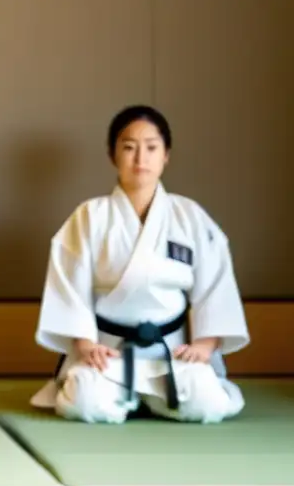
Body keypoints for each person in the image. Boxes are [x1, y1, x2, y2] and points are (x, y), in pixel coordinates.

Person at [30, 105, 250, 424]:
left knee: (208, 404)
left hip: (172, 354)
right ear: (112, 155)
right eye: (129, 147)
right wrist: (85, 343)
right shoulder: (90, 216)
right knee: (86, 403)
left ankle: (142, 398)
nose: (140, 159)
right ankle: (131, 396)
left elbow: (216, 285)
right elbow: (69, 287)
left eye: (151, 147)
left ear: (166, 155)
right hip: (109, 353)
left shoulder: (190, 217)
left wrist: (204, 344)